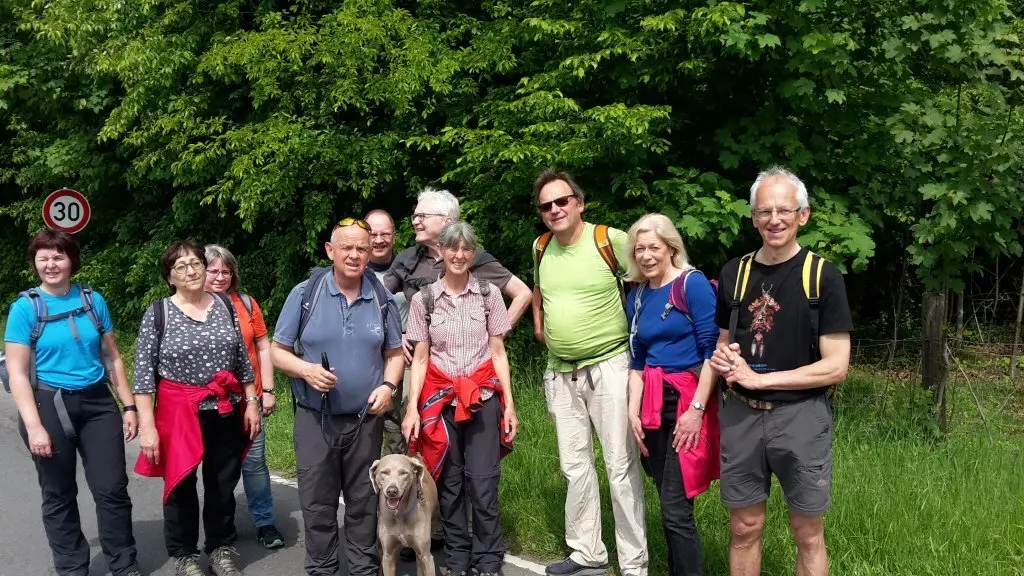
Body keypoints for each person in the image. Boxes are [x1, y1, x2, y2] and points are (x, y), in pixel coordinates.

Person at [709, 167, 852, 576]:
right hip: (741, 414)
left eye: (784, 210)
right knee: (744, 527)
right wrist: (724, 360)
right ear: (753, 217)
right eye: (764, 211)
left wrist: (761, 379)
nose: (774, 219)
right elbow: (723, 340)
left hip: (800, 416)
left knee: (807, 531)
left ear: (802, 215)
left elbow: (836, 366)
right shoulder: (733, 273)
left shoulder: (823, 276)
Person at [3, 229, 142, 576]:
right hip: (49, 405)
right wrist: (34, 426)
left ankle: (123, 564)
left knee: (112, 489)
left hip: (97, 403)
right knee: (58, 492)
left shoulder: (94, 301)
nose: (51, 264)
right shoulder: (25, 307)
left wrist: (128, 406)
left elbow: (113, 359)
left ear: (72, 260)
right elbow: (18, 373)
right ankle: (71, 567)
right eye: (44, 257)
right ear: (35, 262)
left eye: (58, 256)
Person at [270, 217, 404, 576]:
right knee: (317, 501)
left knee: (363, 500)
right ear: (331, 250)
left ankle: (363, 569)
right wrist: (306, 370)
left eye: (362, 247)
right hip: (315, 418)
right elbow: (277, 350)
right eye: (347, 247)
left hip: (365, 419)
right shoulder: (305, 294)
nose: (355, 254)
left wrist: (388, 387)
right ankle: (323, 568)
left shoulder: (382, 297)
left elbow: (394, 354)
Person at [531, 170, 648, 576]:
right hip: (561, 371)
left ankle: (634, 564)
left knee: (619, 465)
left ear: (579, 203)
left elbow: (649, 276)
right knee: (574, 465)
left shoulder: (608, 239)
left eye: (562, 201)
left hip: (610, 364)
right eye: (546, 205)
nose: (555, 210)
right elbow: (537, 291)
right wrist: (540, 325)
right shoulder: (541, 246)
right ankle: (587, 551)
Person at [133, 240, 261, 576]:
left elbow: (242, 362)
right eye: (181, 266)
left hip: (225, 407)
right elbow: (144, 376)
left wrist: (251, 402)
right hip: (178, 410)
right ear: (170, 277)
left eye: (195, 263)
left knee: (222, 482)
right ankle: (185, 554)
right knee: (181, 483)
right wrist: (147, 428)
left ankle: (221, 546)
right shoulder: (158, 313)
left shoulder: (224, 305)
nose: (191, 270)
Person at [401, 221, 519, 576]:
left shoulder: (488, 295)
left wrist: (509, 404)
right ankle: (457, 559)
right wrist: (411, 410)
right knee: (449, 486)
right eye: (452, 248)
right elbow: (420, 359)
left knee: (483, 483)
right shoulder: (424, 299)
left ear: (473, 252)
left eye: (466, 249)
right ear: (441, 252)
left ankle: (488, 560)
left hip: (483, 398)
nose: (459, 255)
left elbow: (498, 353)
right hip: (440, 403)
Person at [624, 214, 720, 576]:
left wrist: (696, 409)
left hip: (687, 401)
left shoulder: (691, 285)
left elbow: (712, 351)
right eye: (640, 249)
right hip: (651, 402)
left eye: (654, 248)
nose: (647, 256)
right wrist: (632, 412)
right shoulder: (637, 295)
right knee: (667, 502)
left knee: (676, 508)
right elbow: (638, 358)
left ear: (671, 248)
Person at [204, 244, 285, 550]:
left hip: (249, 398)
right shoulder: (193, 306)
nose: (220, 276)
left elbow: (264, 346)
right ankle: (222, 528)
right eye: (213, 270)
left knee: (254, 462)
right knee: (216, 466)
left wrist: (268, 390)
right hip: (210, 402)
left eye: (226, 271)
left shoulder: (248, 304)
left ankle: (265, 522)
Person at [364, 208, 410, 458]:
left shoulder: (410, 266)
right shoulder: (353, 269)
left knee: (397, 424)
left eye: (385, 233)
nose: (379, 240)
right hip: (366, 358)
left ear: (394, 235)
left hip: (400, 356)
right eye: (372, 234)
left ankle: (399, 487)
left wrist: (405, 331)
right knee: (367, 424)